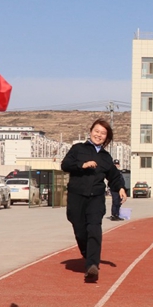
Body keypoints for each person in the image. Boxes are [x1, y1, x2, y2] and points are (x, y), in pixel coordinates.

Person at [61, 119, 126, 283]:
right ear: (90, 132)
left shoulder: (106, 157)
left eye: (103, 133)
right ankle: (88, 254)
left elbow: (114, 176)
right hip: (76, 196)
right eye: (97, 131)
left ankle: (92, 266)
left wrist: (120, 188)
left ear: (106, 138)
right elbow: (65, 165)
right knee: (80, 230)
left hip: (96, 197)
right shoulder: (78, 149)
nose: (99, 135)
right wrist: (82, 165)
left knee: (94, 229)